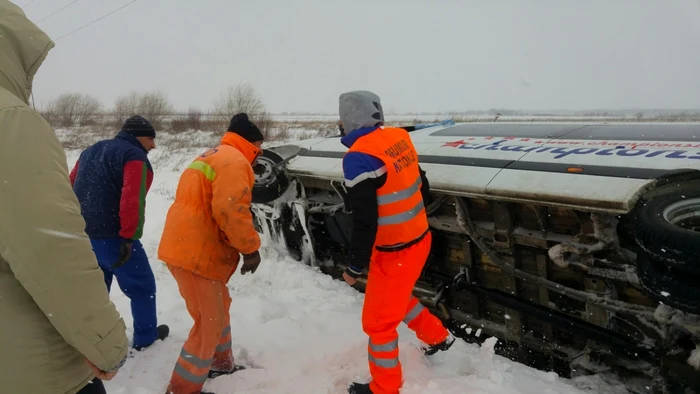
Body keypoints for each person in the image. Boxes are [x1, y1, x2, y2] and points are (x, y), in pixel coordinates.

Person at [0, 2, 129, 393]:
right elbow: (49, 245)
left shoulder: (95, 151)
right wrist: (106, 343)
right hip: (32, 369)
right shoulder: (10, 121)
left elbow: (76, 181)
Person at [338, 91, 456, 394]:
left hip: (394, 252)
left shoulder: (358, 158)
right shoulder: (397, 138)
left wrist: (354, 265)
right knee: (396, 299)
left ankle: (384, 388)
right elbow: (422, 184)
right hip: (419, 240)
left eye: (341, 117)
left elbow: (364, 221)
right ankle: (437, 336)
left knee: (378, 324)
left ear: (350, 118)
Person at [158, 112, 264, 394]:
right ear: (250, 143)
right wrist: (250, 249)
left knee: (218, 310)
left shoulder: (213, 155)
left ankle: (221, 362)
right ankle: (182, 389)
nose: (260, 153)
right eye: (258, 147)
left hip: (187, 246)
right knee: (208, 322)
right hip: (196, 254)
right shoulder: (235, 161)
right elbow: (231, 209)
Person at [69, 115, 169, 351]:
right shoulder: (134, 156)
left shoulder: (90, 151)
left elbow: (70, 187)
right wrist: (128, 237)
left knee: (96, 291)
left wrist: (74, 227)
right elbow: (132, 198)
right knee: (142, 287)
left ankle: (95, 337)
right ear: (137, 136)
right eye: (150, 139)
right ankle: (146, 338)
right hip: (114, 236)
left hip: (85, 235)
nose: (153, 145)